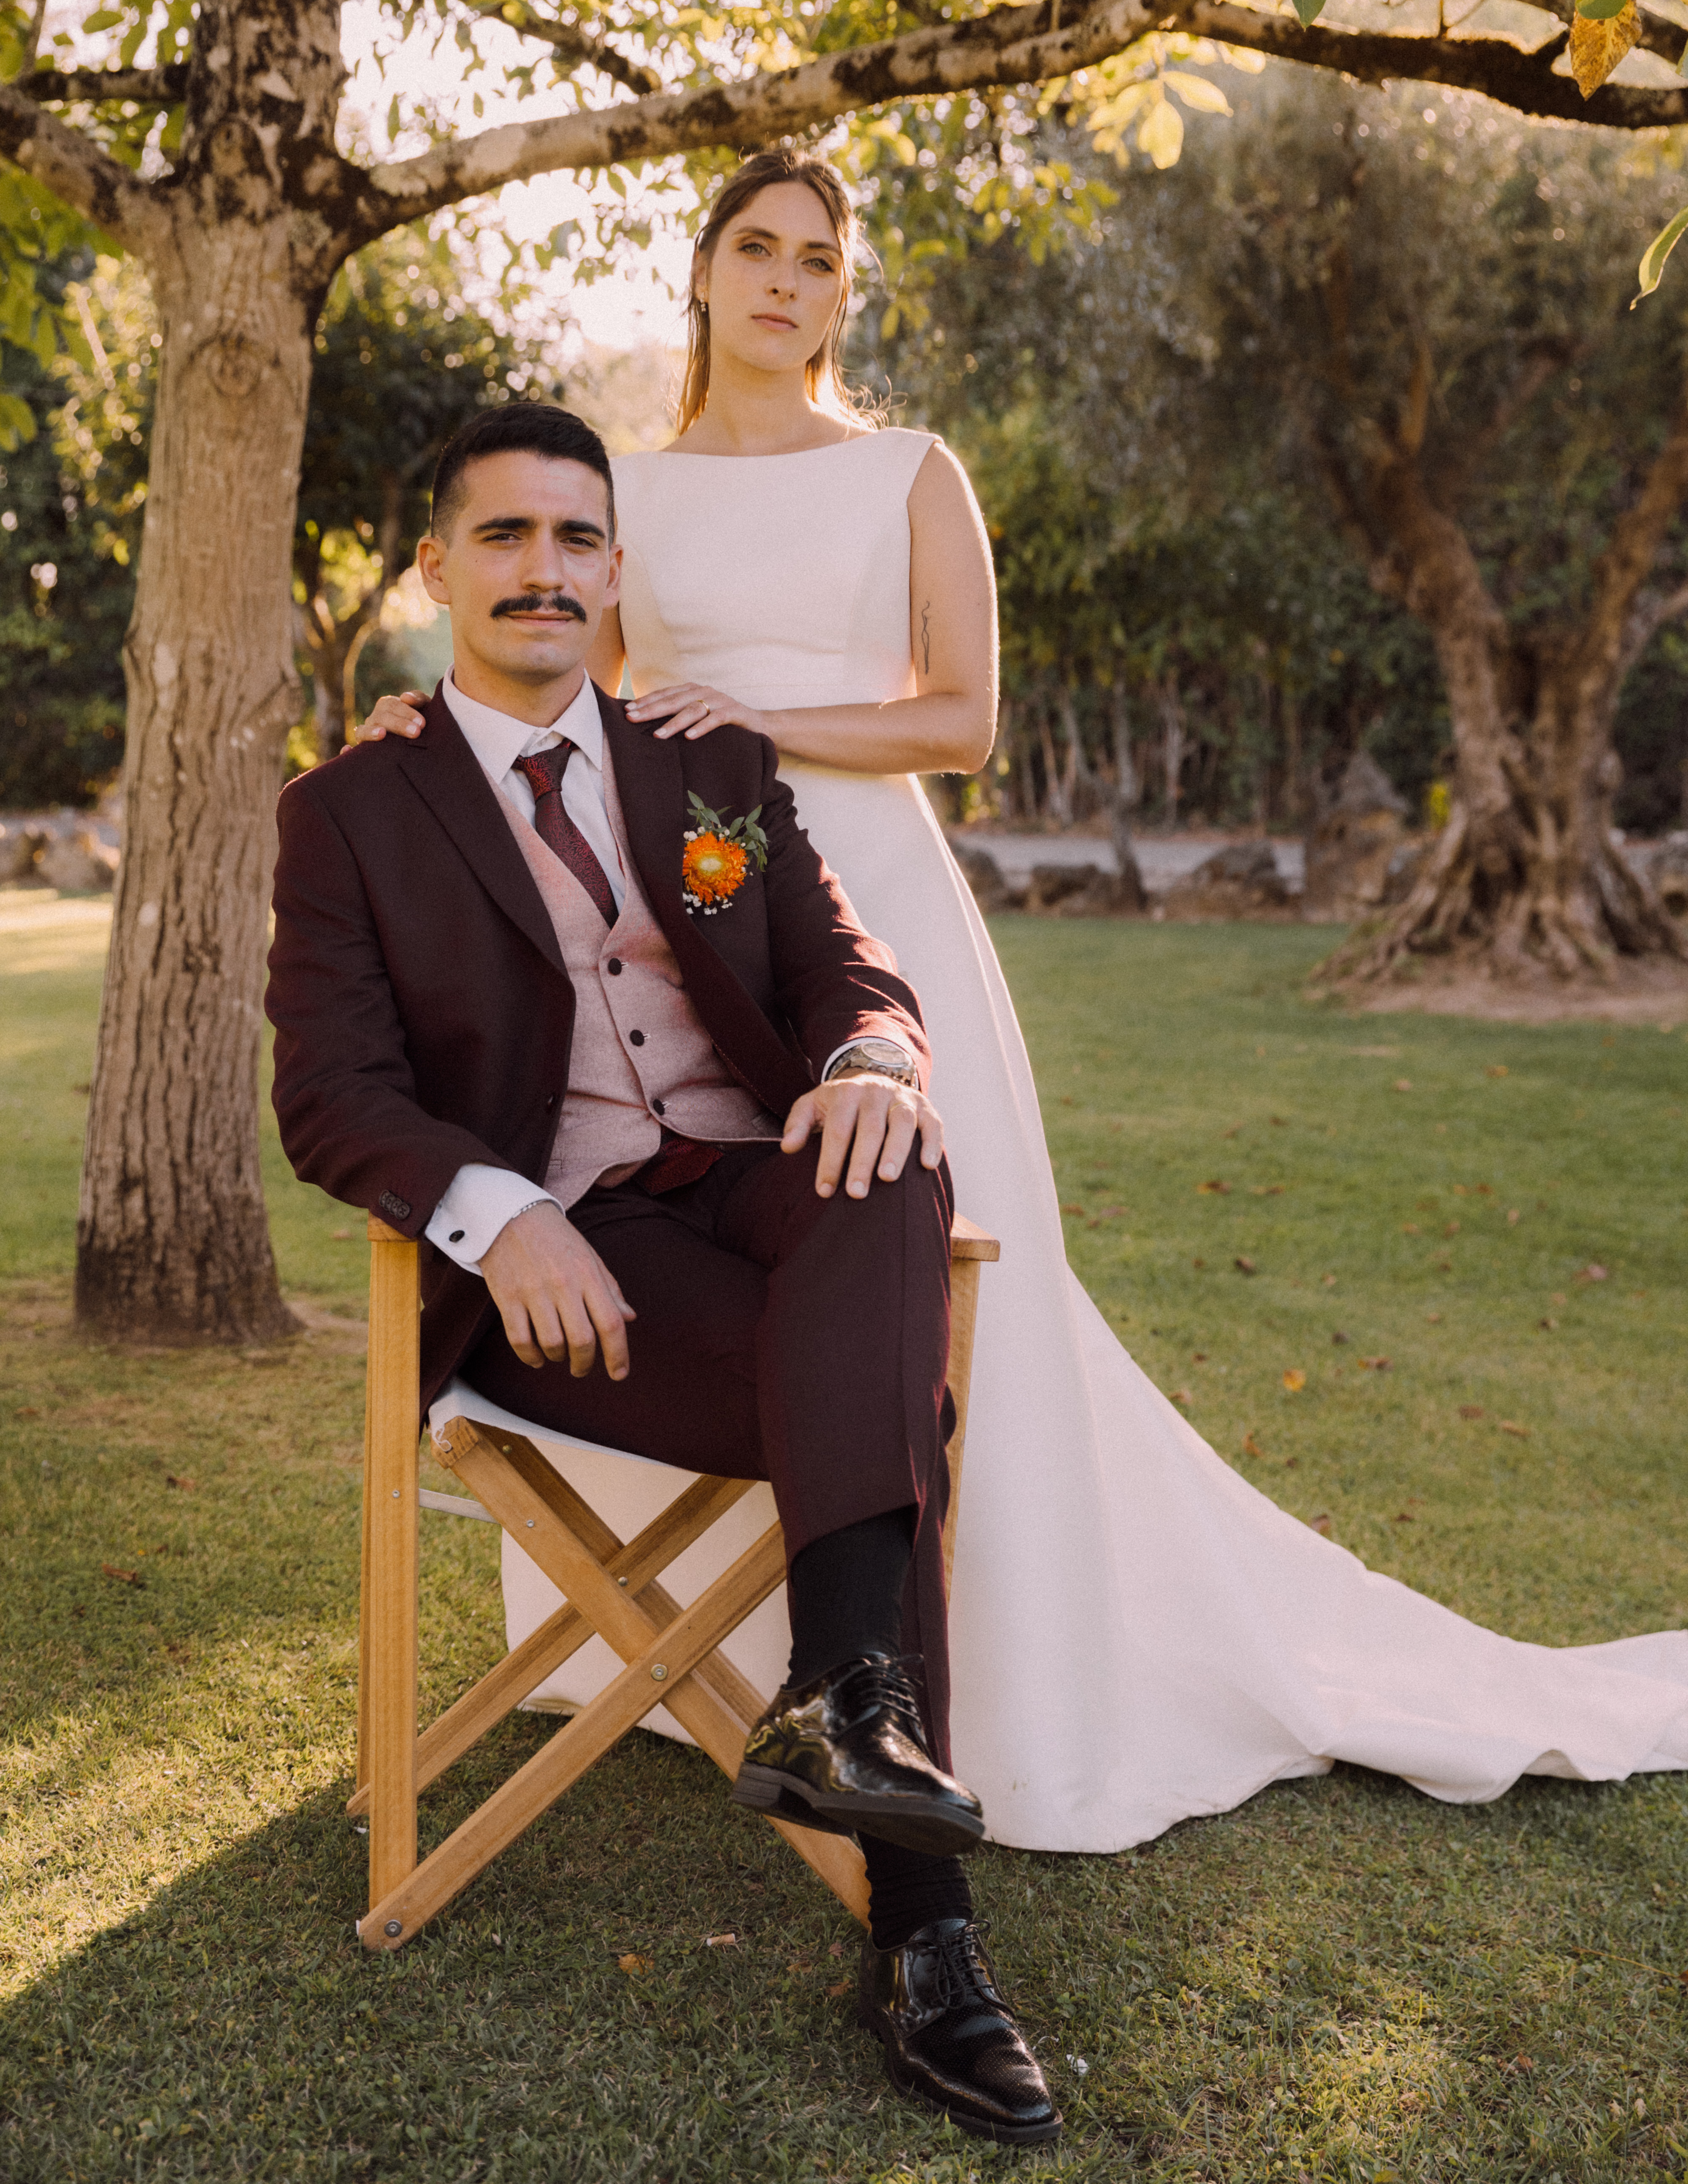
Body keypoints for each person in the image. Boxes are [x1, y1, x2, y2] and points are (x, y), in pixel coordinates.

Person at [361, 152, 1688, 1862]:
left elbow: (963, 722)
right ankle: (707, 1656)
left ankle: (939, 1685)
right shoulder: (631, 494)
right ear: (701, 272)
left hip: (868, 893)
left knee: (920, 1247)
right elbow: (573, 711)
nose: (784, 282)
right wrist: (438, 743)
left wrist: (754, 724)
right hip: (688, 904)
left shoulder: (912, 471)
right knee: (706, 1224)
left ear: (844, 294)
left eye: (818, 259)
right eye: (756, 249)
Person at [266, 400, 1062, 2149]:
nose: (542, 570)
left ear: (617, 570)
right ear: (437, 572)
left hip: (755, 1185)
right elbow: (330, 1092)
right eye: (503, 536)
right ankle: (926, 1942)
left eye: (575, 538)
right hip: (571, 1268)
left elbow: (845, 964)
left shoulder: (709, 767)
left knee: (890, 1152)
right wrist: (494, 1210)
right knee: (888, 1400)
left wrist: (872, 1059)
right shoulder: (351, 810)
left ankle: (844, 1704)